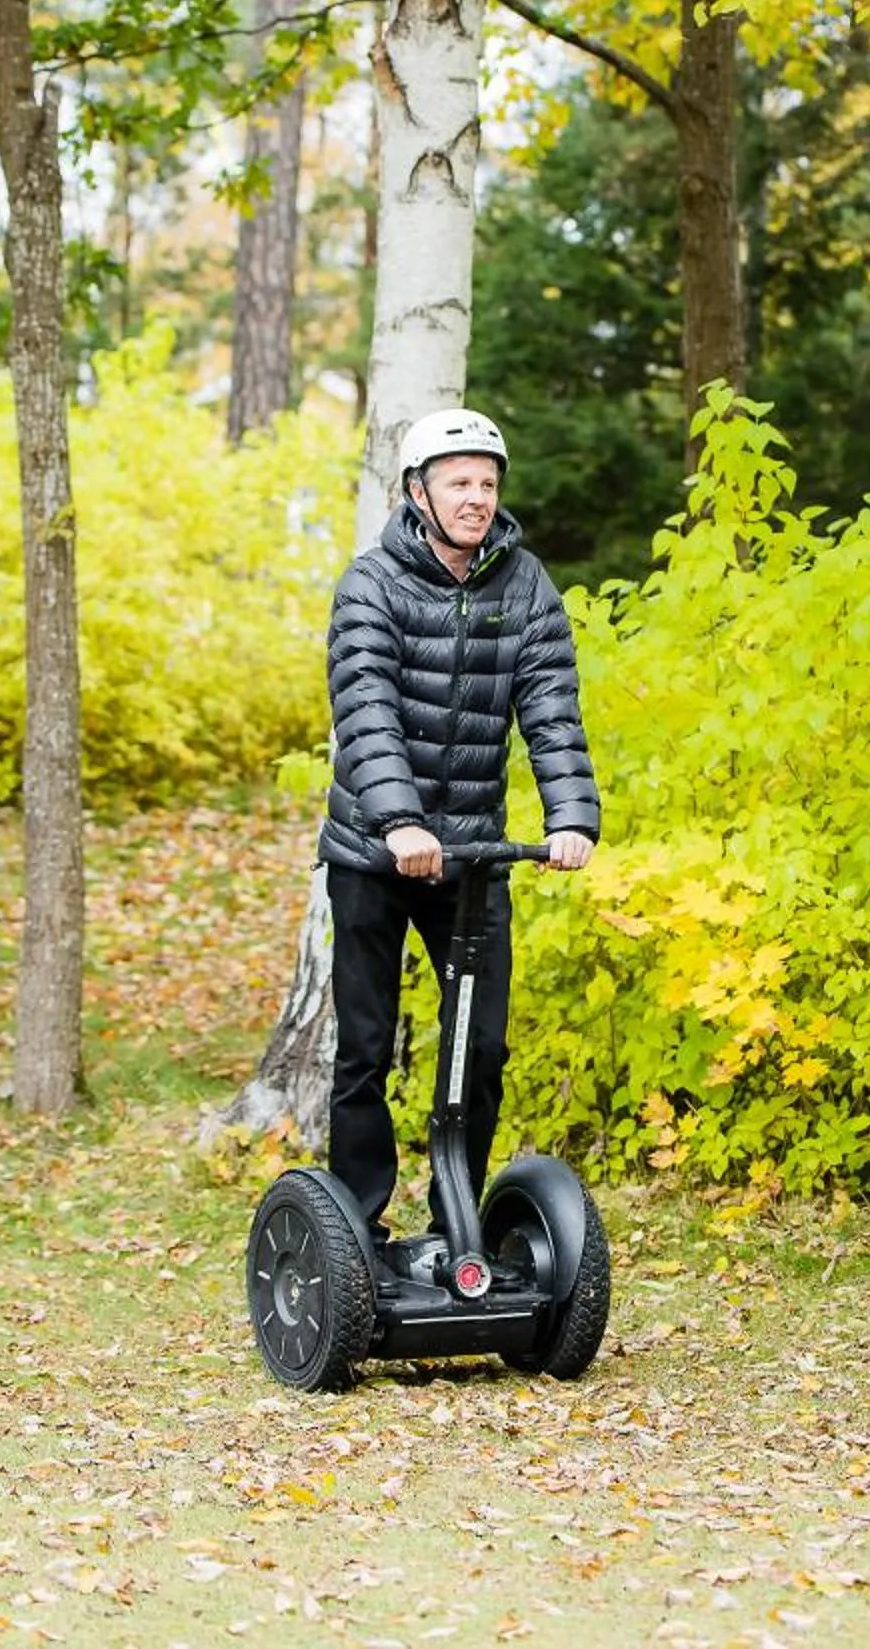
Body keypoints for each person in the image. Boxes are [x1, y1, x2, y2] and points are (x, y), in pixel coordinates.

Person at [320, 407, 600, 1244]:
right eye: (459, 483)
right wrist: (400, 822)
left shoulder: (525, 585)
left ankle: (456, 1230)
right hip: (374, 853)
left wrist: (571, 816)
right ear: (419, 493)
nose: (477, 498)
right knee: (366, 1049)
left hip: (471, 857)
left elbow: (551, 710)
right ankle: (358, 1230)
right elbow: (366, 709)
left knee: (480, 1051)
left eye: (488, 483)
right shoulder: (371, 583)